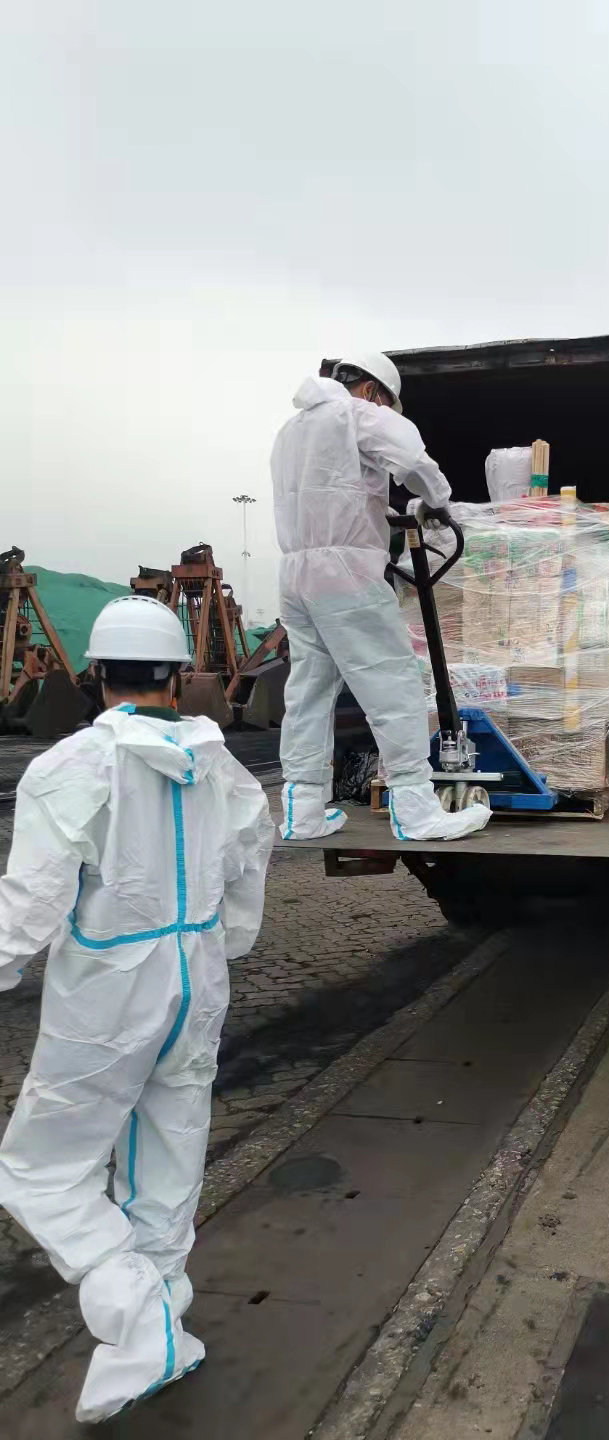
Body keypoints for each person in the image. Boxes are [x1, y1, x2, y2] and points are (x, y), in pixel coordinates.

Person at [0, 595, 274, 1423]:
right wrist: (220, 946)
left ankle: (134, 1313)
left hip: (111, 989)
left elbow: (29, 908)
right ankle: (159, 1332)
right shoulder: (223, 769)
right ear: (176, 676)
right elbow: (248, 876)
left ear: (94, 674)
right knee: (168, 1156)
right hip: (197, 975)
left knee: (40, 1168)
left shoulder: (73, 768)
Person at [271, 351, 491, 842]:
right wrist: (436, 501)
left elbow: (332, 493)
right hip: (346, 571)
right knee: (392, 683)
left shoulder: (291, 431)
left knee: (308, 693)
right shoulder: (359, 414)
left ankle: (302, 812)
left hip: (295, 574)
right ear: (373, 390)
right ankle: (416, 810)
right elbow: (412, 461)